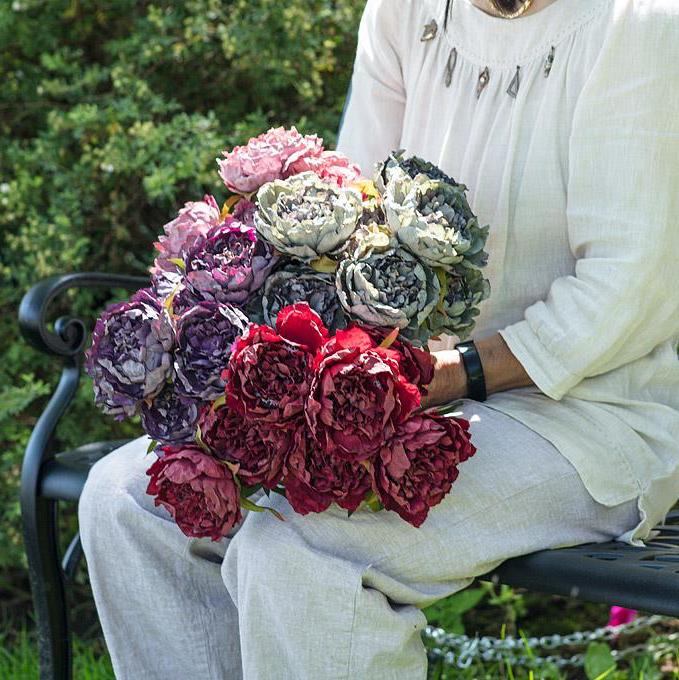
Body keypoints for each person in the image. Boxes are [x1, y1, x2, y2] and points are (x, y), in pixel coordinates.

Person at [78, 0, 679, 678]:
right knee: (125, 501)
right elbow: (350, 207)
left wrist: (452, 373)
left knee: (298, 549)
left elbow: (634, 286)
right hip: (395, 396)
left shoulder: (640, 23)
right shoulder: (405, 10)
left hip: (584, 417)